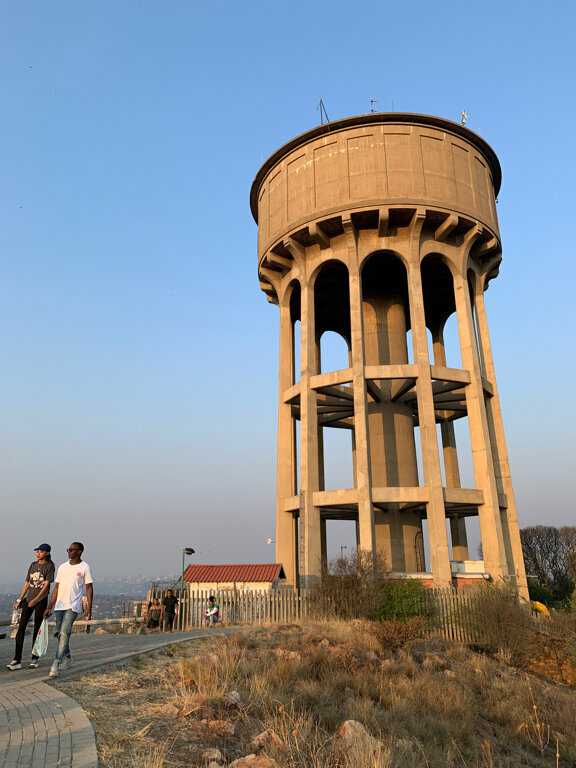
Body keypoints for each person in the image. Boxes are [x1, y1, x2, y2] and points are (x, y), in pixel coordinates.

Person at [44, 542, 93, 678]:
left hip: (73, 606)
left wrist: (89, 608)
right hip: (59, 605)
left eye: (72, 550)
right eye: (68, 549)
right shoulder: (62, 567)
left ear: (79, 551)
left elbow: (89, 588)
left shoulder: (85, 567)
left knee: (64, 633)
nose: (69, 552)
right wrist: (50, 607)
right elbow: (56, 588)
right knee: (60, 634)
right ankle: (68, 657)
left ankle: (56, 663)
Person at [6, 544, 55, 671]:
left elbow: (46, 587)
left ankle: (35, 658)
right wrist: (19, 600)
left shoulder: (50, 566)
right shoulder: (33, 565)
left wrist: (36, 600)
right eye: (37, 551)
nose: (38, 553)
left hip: (40, 601)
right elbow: (27, 584)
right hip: (28, 600)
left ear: (47, 553)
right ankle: (17, 659)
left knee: (37, 630)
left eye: (41, 551)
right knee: (21, 628)